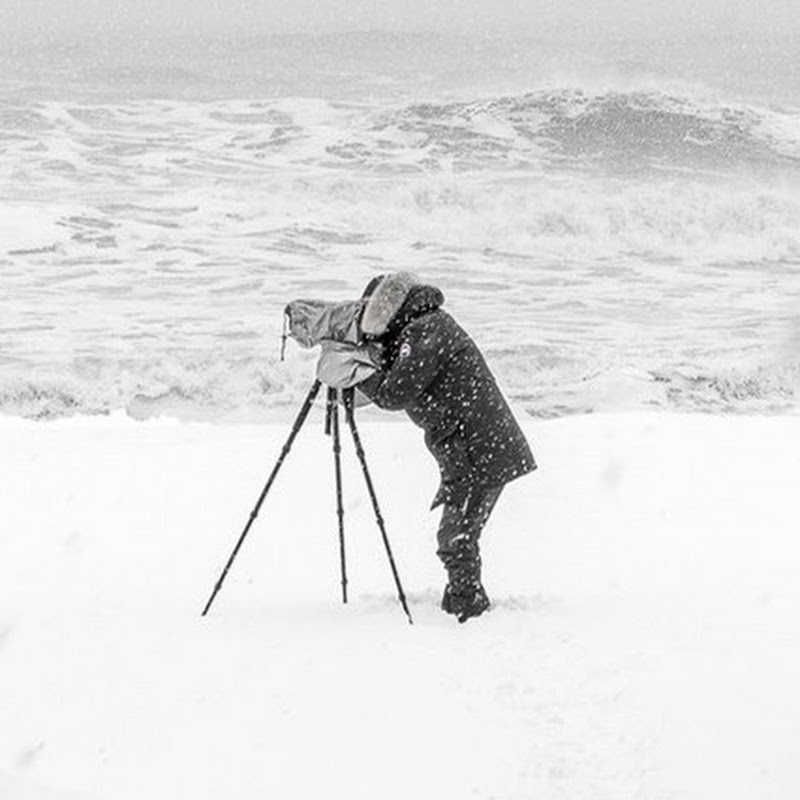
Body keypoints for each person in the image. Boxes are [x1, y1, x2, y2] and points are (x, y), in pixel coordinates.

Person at [349, 272, 536, 623]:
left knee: (456, 536)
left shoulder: (424, 331)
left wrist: (353, 372)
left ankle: (470, 610)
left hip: (479, 450)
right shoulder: (422, 327)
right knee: (457, 533)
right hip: (475, 446)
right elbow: (399, 377)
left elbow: (394, 392)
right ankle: (461, 603)